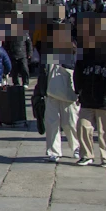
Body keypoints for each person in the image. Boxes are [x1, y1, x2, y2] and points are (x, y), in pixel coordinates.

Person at [73, 19, 106, 168]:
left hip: (105, 100)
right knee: (83, 127)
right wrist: (78, 89)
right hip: (87, 98)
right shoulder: (85, 55)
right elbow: (78, 73)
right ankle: (86, 155)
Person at [33, 23, 78, 162]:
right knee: (52, 123)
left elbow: (76, 70)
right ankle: (54, 151)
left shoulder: (73, 51)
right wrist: (40, 91)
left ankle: (76, 147)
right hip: (50, 92)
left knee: (70, 122)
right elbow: (42, 73)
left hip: (68, 93)